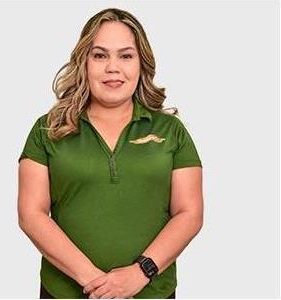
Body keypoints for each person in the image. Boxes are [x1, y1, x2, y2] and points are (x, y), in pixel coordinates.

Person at [17, 7, 203, 299]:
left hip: (152, 293)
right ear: (84, 62)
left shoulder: (171, 131)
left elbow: (189, 213)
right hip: (64, 293)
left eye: (126, 56)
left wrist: (139, 273)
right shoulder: (48, 130)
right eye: (100, 55)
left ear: (141, 63)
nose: (112, 67)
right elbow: (31, 214)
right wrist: (97, 283)